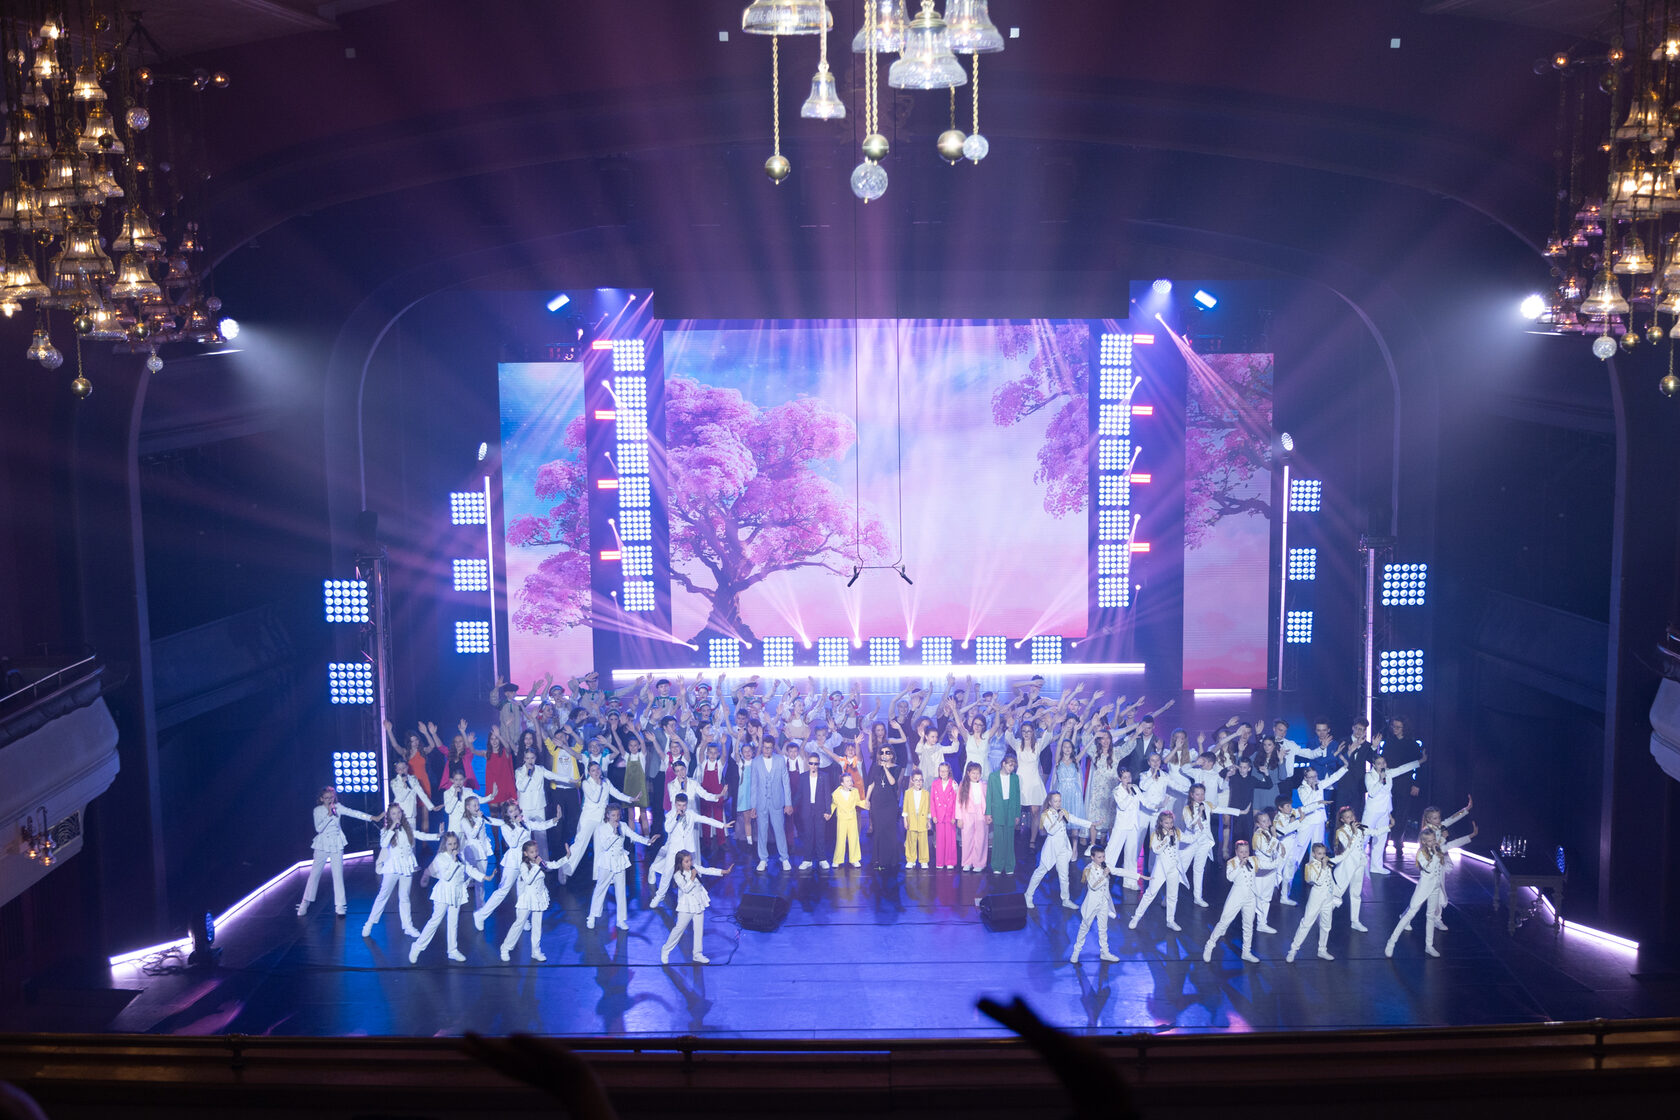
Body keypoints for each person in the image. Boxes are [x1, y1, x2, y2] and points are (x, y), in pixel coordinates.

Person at [1385, 822, 1478, 958]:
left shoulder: (1438, 848)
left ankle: (1429, 946)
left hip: (1435, 886)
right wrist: (1435, 854)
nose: (1433, 842)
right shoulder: (1421, 854)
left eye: (1434, 839)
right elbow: (1428, 868)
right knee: (1410, 913)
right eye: (1429, 841)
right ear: (1423, 842)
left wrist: (1471, 836)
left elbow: (1453, 844)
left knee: (1430, 916)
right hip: (1424, 887)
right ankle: (1391, 942)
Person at [474, 801, 561, 931]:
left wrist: (555, 819)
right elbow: (513, 843)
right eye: (510, 811)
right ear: (506, 814)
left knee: (524, 891)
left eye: (515, 809)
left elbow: (541, 825)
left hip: (525, 861)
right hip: (512, 862)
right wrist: (519, 827)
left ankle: (522, 919)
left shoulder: (526, 822)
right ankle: (480, 915)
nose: (514, 812)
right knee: (502, 891)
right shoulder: (505, 826)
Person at [409, 832, 488, 963]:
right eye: (450, 844)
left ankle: (452, 950)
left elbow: (468, 869)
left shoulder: (460, 856)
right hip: (443, 893)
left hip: (456, 892)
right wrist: (453, 860)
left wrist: (484, 876)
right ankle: (417, 947)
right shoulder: (441, 858)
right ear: (445, 845)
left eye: (455, 843)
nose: (453, 846)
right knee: (435, 921)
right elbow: (446, 876)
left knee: (453, 921)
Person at [297, 787, 374, 918]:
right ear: (321, 799)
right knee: (314, 874)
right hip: (322, 844)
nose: (329, 800)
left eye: (331, 797)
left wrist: (372, 817)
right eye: (326, 798)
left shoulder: (338, 807)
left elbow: (353, 812)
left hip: (337, 843)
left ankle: (340, 906)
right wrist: (329, 815)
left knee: (338, 875)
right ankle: (305, 902)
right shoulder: (317, 810)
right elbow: (318, 829)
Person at [576, 805, 657, 931]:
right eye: (613, 815)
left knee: (621, 890)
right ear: (607, 815)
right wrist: (614, 833)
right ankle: (592, 917)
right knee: (600, 889)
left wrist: (647, 841)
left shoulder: (623, 826)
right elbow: (605, 846)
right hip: (607, 862)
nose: (616, 818)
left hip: (619, 861)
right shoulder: (601, 828)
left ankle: (620, 920)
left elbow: (633, 835)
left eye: (618, 815)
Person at [362, 803, 435, 938]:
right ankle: (369, 924)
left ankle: (408, 926)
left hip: (406, 865)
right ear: (389, 816)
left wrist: (438, 835)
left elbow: (421, 835)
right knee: (383, 895)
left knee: (405, 897)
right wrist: (391, 828)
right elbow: (383, 844)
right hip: (392, 867)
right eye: (394, 813)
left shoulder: (407, 828)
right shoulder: (385, 830)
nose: (397, 816)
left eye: (399, 813)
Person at [648, 793, 724, 907]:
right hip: (674, 850)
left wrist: (722, 825)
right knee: (667, 873)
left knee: (690, 874)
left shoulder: (691, 814)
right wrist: (676, 817)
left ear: (687, 804)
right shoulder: (670, 815)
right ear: (675, 804)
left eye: (684, 805)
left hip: (687, 850)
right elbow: (668, 829)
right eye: (679, 805)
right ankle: (660, 896)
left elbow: (705, 819)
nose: (681, 808)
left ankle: (691, 899)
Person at [499, 841, 568, 962]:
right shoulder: (524, 865)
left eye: (536, 851)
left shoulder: (540, 862)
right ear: (526, 853)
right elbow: (528, 880)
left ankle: (535, 951)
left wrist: (566, 857)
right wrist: (536, 866)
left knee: (537, 926)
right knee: (519, 923)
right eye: (532, 852)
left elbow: (554, 865)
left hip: (539, 898)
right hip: (527, 898)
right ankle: (505, 948)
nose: (535, 853)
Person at [660, 851, 731, 965]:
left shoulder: (694, 868)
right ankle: (666, 949)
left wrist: (723, 871)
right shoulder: (678, 875)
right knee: (679, 929)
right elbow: (685, 889)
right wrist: (693, 876)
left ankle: (697, 954)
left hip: (698, 902)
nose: (690, 863)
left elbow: (707, 870)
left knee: (698, 930)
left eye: (690, 860)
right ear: (680, 863)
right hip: (686, 906)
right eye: (686, 861)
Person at [1024, 792, 1091, 909]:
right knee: (1040, 872)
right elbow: (1051, 831)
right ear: (1050, 802)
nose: (1058, 803)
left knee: (1064, 876)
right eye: (1055, 801)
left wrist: (1091, 824)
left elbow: (1074, 819)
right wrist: (1059, 819)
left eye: (1059, 801)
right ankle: (1028, 895)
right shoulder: (1045, 815)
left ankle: (1066, 899)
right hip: (1051, 849)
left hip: (1063, 848)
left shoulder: (1062, 812)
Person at [1360, 752, 1424, 873]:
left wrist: (1420, 761)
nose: (1382, 765)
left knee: (1381, 839)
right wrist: (1381, 779)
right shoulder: (1369, 776)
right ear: (1374, 765)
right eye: (1379, 763)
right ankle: (1355, 864)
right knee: (1363, 837)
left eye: (1383, 762)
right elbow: (1372, 792)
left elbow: (1403, 768)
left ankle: (1376, 867)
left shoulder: (1388, 773)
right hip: (1372, 811)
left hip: (1385, 811)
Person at [1285, 842, 1348, 963]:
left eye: (1324, 853)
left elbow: (1331, 879)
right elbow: (1318, 881)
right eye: (1319, 853)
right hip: (1316, 897)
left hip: (1328, 898)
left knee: (1326, 925)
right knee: (1306, 923)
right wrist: (1324, 867)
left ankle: (1322, 950)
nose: (1322, 856)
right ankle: (1293, 950)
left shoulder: (1327, 863)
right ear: (1313, 854)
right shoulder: (1310, 866)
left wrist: (1336, 895)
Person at [1203, 840, 1261, 963]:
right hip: (1237, 896)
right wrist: (1240, 865)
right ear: (1236, 852)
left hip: (1251, 897)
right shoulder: (1232, 862)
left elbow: (1267, 865)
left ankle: (1246, 952)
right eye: (1241, 852)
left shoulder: (1253, 860)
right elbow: (1230, 877)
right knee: (1224, 921)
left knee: (1248, 925)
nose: (1244, 854)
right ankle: (1210, 945)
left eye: (1246, 851)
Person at [1129, 810, 1185, 932]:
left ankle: (1170, 921)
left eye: (1171, 822)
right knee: (1150, 893)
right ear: (1161, 822)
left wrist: (1200, 829)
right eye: (1166, 823)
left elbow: (1189, 838)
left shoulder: (1176, 832)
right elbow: (1156, 850)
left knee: (1172, 896)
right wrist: (1166, 838)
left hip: (1174, 868)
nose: (1169, 825)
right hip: (1161, 869)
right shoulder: (1156, 834)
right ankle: (1136, 917)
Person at [513, 745, 568, 859]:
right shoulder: (519, 771)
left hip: (538, 806)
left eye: (532, 758)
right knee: (525, 835)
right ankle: (526, 862)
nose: (530, 761)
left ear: (535, 758)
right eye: (527, 758)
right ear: (524, 759)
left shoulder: (540, 769)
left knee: (541, 835)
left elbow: (553, 776)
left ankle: (543, 861)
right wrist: (528, 775)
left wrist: (570, 779)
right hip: (525, 807)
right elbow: (520, 787)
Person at [1069, 845, 1121, 964]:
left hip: (1103, 902)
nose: (1102, 859)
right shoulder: (1088, 869)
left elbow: (1120, 871)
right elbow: (1093, 885)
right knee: (1084, 927)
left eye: (1103, 856)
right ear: (1092, 857)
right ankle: (1076, 952)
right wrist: (1104, 875)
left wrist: (1140, 876)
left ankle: (1105, 952)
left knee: (1103, 928)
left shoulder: (1105, 866)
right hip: (1092, 904)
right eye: (1099, 857)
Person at [749, 738, 793, 872]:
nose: (766, 750)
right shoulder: (756, 762)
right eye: (764, 747)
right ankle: (763, 859)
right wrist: (753, 806)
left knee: (779, 831)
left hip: (777, 801)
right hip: (761, 802)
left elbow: (786, 782)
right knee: (762, 832)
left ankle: (784, 858)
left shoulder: (780, 760)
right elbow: (753, 785)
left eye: (769, 748)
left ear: (773, 748)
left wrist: (788, 803)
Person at [791, 750, 832, 870]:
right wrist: (791, 805)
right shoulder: (803, 777)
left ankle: (822, 859)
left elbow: (827, 794)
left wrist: (828, 811)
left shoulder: (824, 776)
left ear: (819, 764)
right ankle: (807, 860)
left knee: (820, 835)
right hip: (807, 809)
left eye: (816, 763)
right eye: (811, 763)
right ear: (808, 763)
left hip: (820, 809)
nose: (813, 766)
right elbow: (799, 794)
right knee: (808, 835)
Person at [866, 744, 903, 869]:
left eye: (887, 752)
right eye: (882, 752)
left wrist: (886, 769)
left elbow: (893, 782)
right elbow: (871, 784)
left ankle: (891, 859)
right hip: (877, 802)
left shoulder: (897, 768)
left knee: (890, 830)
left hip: (890, 803)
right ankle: (878, 858)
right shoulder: (875, 767)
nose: (884, 755)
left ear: (891, 755)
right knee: (878, 830)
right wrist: (867, 799)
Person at [986, 754, 1023, 874]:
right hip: (998, 809)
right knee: (998, 839)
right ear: (1003, 764)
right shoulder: (993, 776)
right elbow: (989, 795)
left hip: (1010, 809)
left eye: (1013, 766)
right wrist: (988, 813)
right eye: (1010, 765)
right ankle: (997, 865)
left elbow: (1017, 796)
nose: (1011, 768)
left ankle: (1009, 866)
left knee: (1009, 839)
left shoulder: (1015, 778)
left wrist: (1017, 814)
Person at [826, 771, 866, 867]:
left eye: (851, 781)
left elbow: (858, 802)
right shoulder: (836, 793)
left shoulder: (855, 791)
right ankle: (837, 860)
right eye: (847, 781)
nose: (850, 783)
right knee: (840, 839)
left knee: (853, 839)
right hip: (842, 819)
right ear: (842, 783)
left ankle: (854, 859)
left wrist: (866, 804)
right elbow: (833, 805)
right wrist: (829, 813)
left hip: (852, 818)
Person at [956, 761, 990, 872]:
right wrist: (959, 818)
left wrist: (989, 814)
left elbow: (989, 801)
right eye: (973, 773)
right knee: (967, 838)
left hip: (981, 814)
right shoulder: (963, 785)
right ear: (968, 773)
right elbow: (958, 802)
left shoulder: (984, 785)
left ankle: (979, 863)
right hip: (967, 814)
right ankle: (967, 862)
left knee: (980, 838)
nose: (976, 775)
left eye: (978, 773)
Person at [930, 762, 959, 869]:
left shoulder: (954, 784)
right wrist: (933, 815)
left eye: (945, 771)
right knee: (940, 840)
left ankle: (950, 861)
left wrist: (954, 816)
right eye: (941, 771)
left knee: (950, 840)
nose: (943, 773)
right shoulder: (935, 784)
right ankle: (940, 862)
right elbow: (932, 801)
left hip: (950, 815)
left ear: (949, 771)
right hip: (939, 816)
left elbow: (956, 802)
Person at [902, 768, 932, 869]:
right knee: (911, 840)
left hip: (922, 820)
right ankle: (911, 859)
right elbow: (905, 808)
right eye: (916, 780)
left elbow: (928, 808)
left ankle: (924, 860)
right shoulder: (908, 792)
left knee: (923, 841)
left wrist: (928, 821)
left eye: (920, 780)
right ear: (912, 780)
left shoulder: (926, 793)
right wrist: (905, 820)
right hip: (912, 820)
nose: (918, 782)